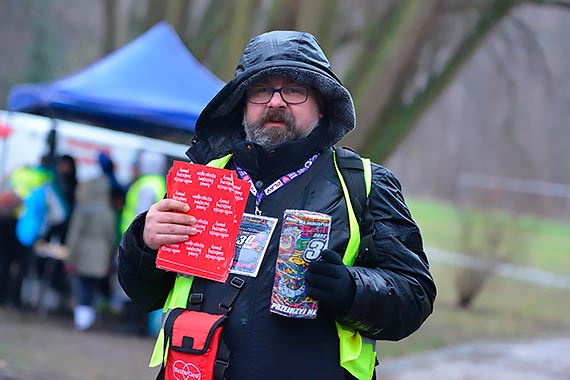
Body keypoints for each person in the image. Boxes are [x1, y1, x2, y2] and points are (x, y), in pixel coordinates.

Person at [118, 31, 436, 380]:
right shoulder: (204, 181)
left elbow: (414, 294)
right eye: (261, 89)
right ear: (243, 103)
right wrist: (144, 245)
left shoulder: (362, 184)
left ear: (321, 103)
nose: (276, 102)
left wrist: (350, 289)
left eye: (294, 90)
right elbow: (143, 292)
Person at [65, 174, 116, 330]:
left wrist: (70, 257)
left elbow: (74, 234)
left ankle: (82, 319)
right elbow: (111, 236)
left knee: (82, 286)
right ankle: (89, 317)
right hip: (101, 254)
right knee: (93, 287)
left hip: (83, 252)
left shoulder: (83, 208)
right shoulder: (109, 211)